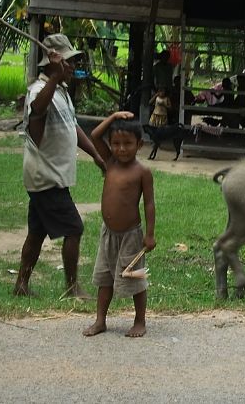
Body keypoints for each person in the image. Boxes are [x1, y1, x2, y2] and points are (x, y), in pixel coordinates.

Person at [13, 34, 105, 298]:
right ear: (53, 65)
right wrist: (54, 77)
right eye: (68, 62)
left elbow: (72, 127)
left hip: (50, 176)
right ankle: (71, 286)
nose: (72, 68)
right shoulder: (40, 91)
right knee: (74, 228)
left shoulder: (62, 92)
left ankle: (21, 285)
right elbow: (37, 112)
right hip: (46, 177)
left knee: (37, 233)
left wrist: (96, 156)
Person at [83, 111, 156, 338]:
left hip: (131, 236)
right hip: (108, 234)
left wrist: (150, 234)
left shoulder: (142, 171)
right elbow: (94, 136)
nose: (121, 149)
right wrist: (113, 117)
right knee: (104, 277)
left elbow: (149, 204)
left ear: (139, 144)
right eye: (115, 143)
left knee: (135, 277)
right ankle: (100, 320)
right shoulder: (109, 163)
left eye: (127, 144)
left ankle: (140, 321)